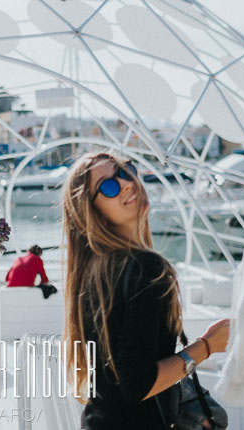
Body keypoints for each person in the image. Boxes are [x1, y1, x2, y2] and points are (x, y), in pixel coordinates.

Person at [61, 152, 230, 430]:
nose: (126, 184)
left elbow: (119, 376)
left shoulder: (96, 272)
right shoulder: (145, 268)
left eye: (125, 172)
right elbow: (137, 385)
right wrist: (208, 346)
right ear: (93, 214)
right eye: (108, 186)